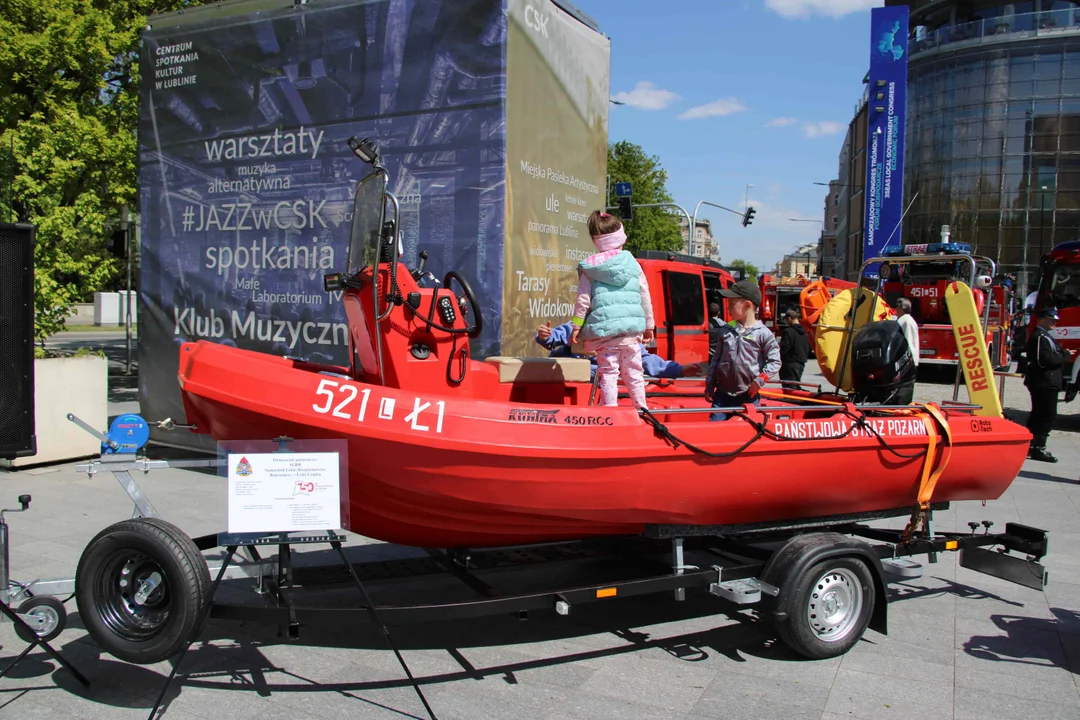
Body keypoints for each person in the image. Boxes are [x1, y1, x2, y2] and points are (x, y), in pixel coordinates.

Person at [567, 211, 655, 408]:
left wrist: (577, 326)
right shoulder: (633, 263)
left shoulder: (590, 268)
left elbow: (583, 300)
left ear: (595, 240)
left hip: (606, 334)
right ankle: (642, 410)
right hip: (631, 331)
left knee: (608, 372)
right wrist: (649, 325)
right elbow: (644, 295)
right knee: (634, 372)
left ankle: (610, 411)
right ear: (621, 238)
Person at [704, 279, 780, 421]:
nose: (727, 309)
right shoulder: (726, 331)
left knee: (744, 431)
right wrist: (710, 384)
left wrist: (759, 381)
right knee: (715, 429)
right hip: (722, 395)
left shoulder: (763, 334)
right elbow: (716, 360)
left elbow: (775, 362)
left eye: (731, 304)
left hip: (748, 395)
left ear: (747, 305)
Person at [535, 321, 701, 379]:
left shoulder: (625, 332)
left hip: (602, 383)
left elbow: (644, 359)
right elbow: (555, 337)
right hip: (572, 380)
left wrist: (678, 369)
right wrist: (545, 336)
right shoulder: (582, 324)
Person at [1024, 306, 1075, 463]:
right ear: (1042, 319)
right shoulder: (1039, 336)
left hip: (1046, 381)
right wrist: (1064, 355)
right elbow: (1044, 360)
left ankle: (1032, 445)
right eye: (1052, 319)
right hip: (1044, 382)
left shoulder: (1044, 336)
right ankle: (1039, 447)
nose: (1055, 323)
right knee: (1046, 416)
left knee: (1039, 415)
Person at [892, 297, 920, 405]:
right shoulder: (908, 320)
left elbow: (906, 340)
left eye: (897, 307)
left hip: (906, 359)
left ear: (901, 308)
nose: (895, 310)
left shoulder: (905, 321)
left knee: (903, 387)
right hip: (910, 359)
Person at [778, 308, 811, 390]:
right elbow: (809, 348)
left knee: (789, 388)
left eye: (786, 320)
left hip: (789, 364)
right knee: (795, 386)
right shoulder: (805, 332)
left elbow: (784, 349)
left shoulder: (788, 331)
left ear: (789, 319)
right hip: (801, 363)